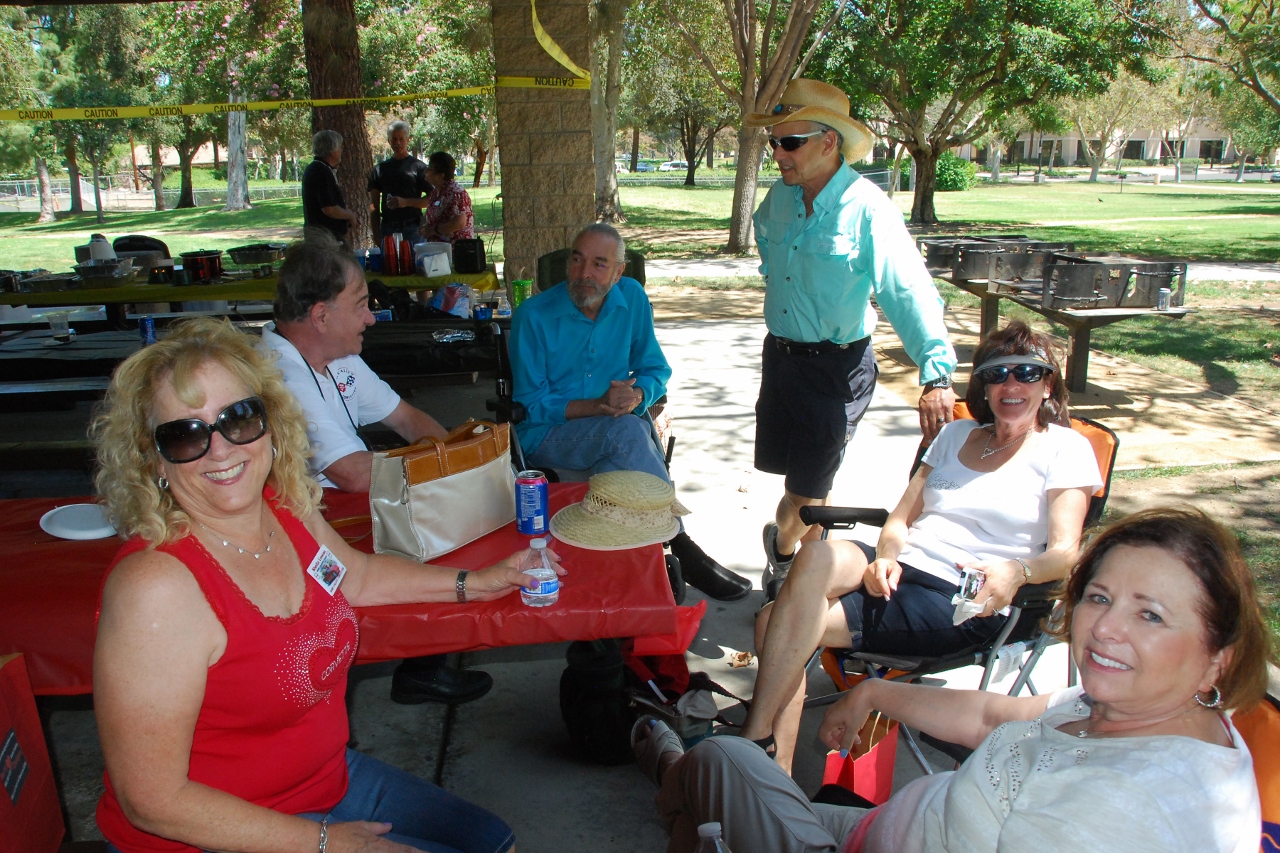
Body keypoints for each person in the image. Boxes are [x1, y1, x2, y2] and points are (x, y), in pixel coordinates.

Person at [90, 318, 557, 853]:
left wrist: (477, 582)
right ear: (152, 459)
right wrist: (323, 842)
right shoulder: (157, 587)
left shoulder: (284, 509)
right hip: (213, 832)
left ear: (270, 421)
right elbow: (150, 800)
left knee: (495, 843)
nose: (220, 450)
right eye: (185, 433)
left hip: (324, 782)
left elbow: (354, 575)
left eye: (238, 418)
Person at [636, 505, 1271, 853]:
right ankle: (694, 800)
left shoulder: (1124, 810)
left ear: (1221, 655)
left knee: (720, 762)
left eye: (1151, 615)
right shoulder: (1128, 707)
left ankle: (678, 781)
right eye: (1099, 597)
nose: (1105, 629)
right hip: (879, 827)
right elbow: (1000, 716)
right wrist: (875, 690)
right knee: (723, 779)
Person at [740, 321, 1102, 771]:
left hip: (959, 596)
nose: (1011, 385)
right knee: (815, 554)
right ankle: (762, 749)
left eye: (1027, 373)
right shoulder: (953, 436)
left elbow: (1066, 553)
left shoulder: (1065, 449)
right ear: (983, 387)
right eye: (997, 374)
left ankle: (768, 758)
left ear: (1048, 385)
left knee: (774, 620)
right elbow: (898, 520)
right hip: (899, 570)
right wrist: (887, 557)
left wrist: (1018, 571)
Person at [746, 78, 959, 600]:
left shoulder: (868, 209)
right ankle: (790, 548)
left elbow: (906, 289)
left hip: (837, 368)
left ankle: (789, 563)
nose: (777, 153)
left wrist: (936, 372)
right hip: (781, 360)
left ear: (828, 141)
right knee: (791, 479)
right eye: (773, 141)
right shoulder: (777, 198)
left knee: (807, 490)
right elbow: (772, 262)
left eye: (789, 142)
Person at [261, 236, 491, 706]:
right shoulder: (278, 375)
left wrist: (455, 457)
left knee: (449, 513)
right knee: (438, 523)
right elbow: (353, 474)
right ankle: (398, 679)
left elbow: (406, 418)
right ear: (322, 317)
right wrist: (446, 471)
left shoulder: (336, 356)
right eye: (362, 304)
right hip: (298, 533)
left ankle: (425, 664)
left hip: (334, 511)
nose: (372, 316)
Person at [510, 222, 751, 602]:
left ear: (619, 272)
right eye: (577, 260)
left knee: (619, 470)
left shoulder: (632, 299)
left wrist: (637, 394)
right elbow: (531, 407)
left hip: (617, 429)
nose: (584, 273)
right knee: (627, 434)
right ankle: (679, 546)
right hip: (548, 435)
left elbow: (657, 370)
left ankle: (640, 583)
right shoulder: (533, 316)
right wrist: (598, 407)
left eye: (599, 264)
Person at [368, 121, 432, 244]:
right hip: (388, 228)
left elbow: (431, 199)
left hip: (413, 227)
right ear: (389, 141)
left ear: (408, 140)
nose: (398, 143)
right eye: (394, 139)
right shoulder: (379, 169)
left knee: (414, 262)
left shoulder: (419, 167)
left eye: (401, 139)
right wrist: (376, 234)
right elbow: (374, 206)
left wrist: (406, 202)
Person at [301, 130, 358, 246]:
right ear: (332, 151)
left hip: (322, 236)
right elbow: (329, 209)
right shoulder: (320, 171)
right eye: (340, 148)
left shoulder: (317, 169)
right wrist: (350, 215)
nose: (341, 151)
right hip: (324, 239)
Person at [413, 152, 475, 244]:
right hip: (439, 250)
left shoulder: (456, 193)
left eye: (430, 169)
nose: (425, 171)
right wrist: (426, 228)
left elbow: (459, 223)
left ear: (441, 175)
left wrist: (433, 230)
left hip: (455, 251)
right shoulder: (436, 192)